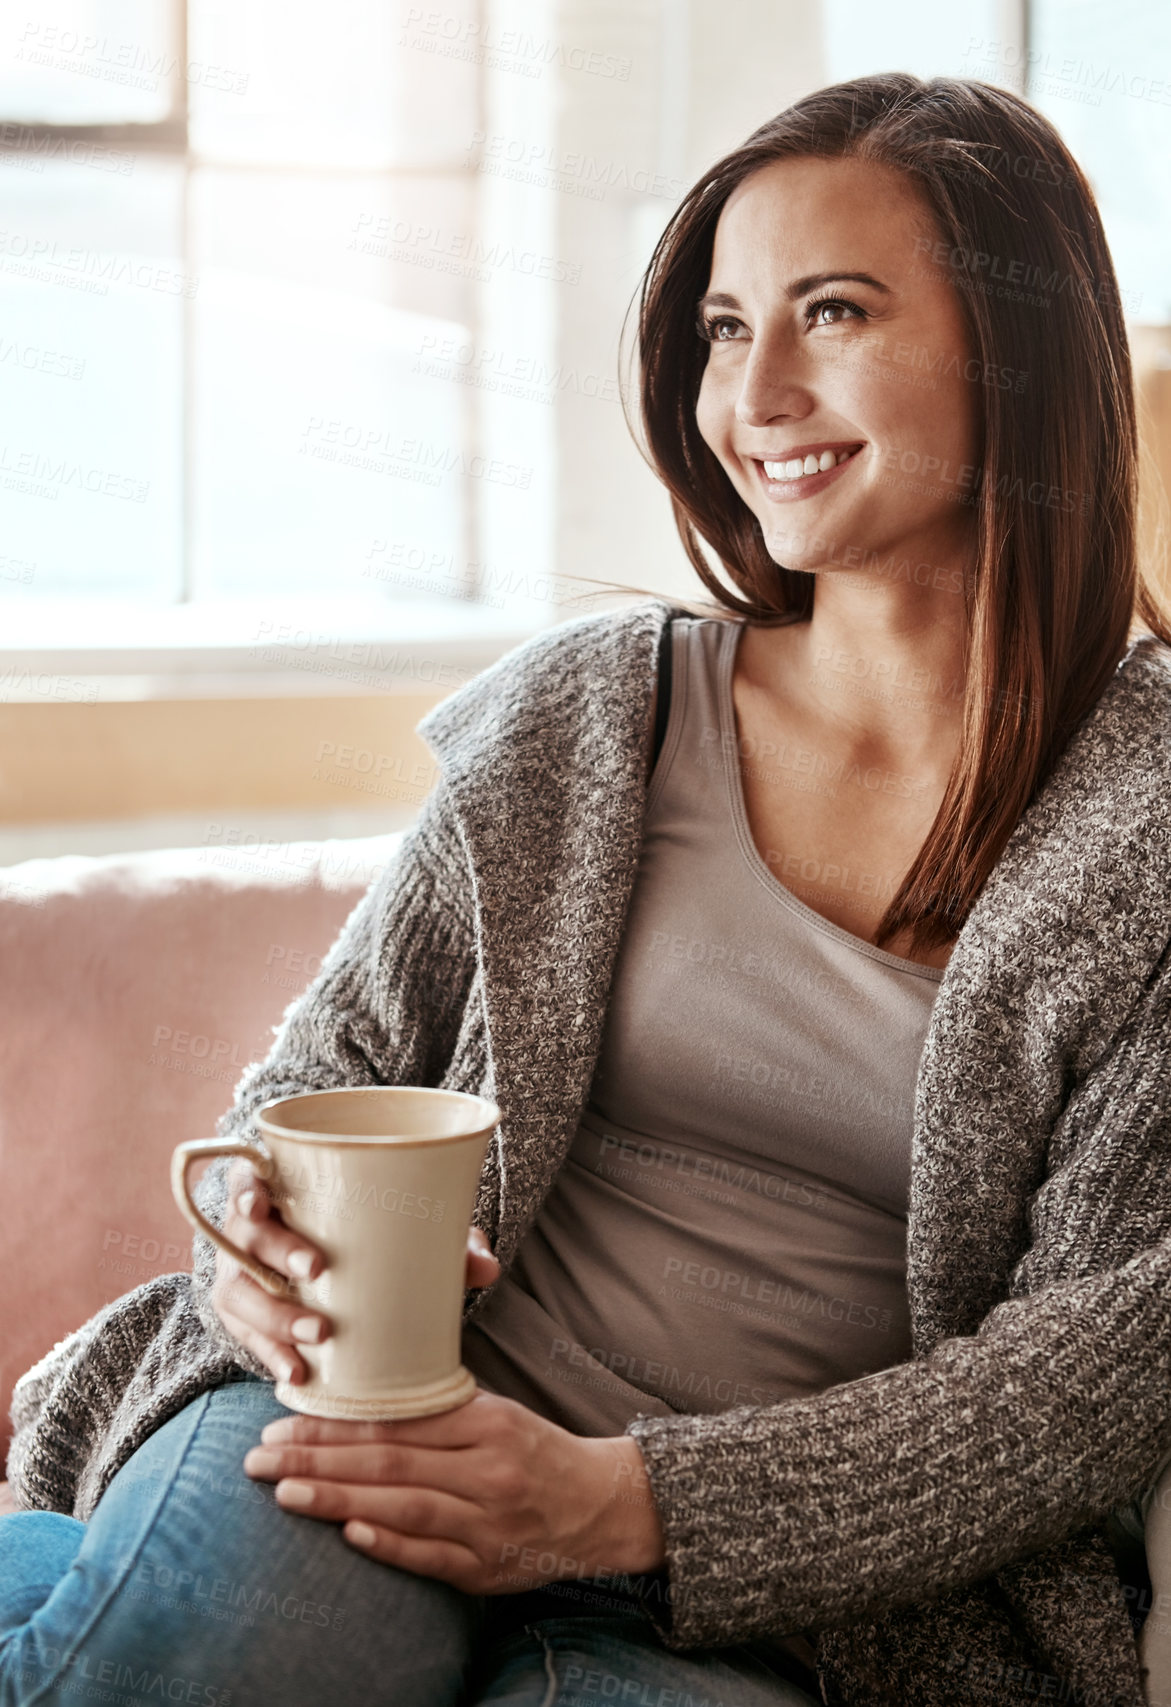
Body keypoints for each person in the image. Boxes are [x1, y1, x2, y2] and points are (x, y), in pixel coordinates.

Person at [5, 69, 1171, 1707]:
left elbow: (1095, 1373)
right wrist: (256, 1249)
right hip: (391, 1424)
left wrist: (618, 1507)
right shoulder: (590, 715)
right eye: (720, 326)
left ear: (1021, 344)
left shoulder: (1153, 827)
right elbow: (322, 1077)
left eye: (829, 314)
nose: (753, 391)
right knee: (225, 1651)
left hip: (774, 1608)